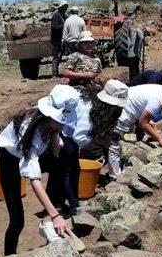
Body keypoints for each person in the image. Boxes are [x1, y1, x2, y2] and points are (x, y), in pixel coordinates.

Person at [0, 87, 78, 256]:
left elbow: (56, 153)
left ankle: (46, 221)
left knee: (68, 152)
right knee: (17, 221)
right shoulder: (29, 130)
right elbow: (34, 180)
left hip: (33, 152)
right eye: (61, 121)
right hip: (9, 161)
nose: (64, 124)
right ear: (50, 117)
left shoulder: (50, 126)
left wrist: (56, 133)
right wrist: (57, 216)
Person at [50, 79, 129, 217]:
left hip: (66, 135)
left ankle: (60, 203)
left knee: (68, 170)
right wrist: (99, 140)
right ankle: (70, 207)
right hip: (63, 136)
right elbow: (79, 137)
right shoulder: (89, 109)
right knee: (67, 172)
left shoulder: (94, 101)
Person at [108, 83, 162, 176]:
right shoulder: (157, 100)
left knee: (127, 142)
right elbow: (143, 122)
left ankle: (124, 166)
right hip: (121, 113)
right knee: (114, 145)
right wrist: (159, 138)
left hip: (127, 110)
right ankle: (115, 176)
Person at [50, 0, 68, 77]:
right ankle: (54, 74)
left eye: (66, 7)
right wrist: (63, 25)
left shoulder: (64, 15)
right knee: (56, 57)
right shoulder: (56, 15)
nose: (65, 8)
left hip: (63, 39)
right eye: (64, 7)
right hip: (57, 40)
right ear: (61, 7)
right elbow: (53, 27)